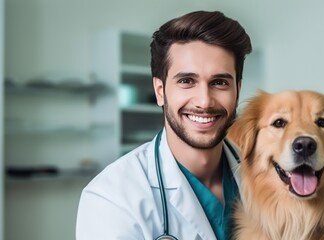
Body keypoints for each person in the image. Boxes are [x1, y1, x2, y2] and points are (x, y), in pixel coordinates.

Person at [76, 10, 252, 240]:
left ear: (237, 90)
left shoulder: (270, 176)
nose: (204, 101)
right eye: (186, 81)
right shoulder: (111, 198)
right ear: (160, 91)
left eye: (219, 82)